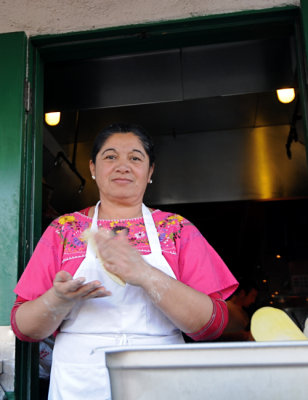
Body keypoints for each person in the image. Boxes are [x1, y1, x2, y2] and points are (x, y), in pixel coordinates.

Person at [11, 123, 238, 399]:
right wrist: (57, 300)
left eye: (135, 157)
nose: (122, 166)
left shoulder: (177, 229)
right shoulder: (64, 230)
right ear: (93, 168)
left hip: (160, 382)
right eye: (110, 156)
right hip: (80, 382)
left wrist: (145, 274)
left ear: (150, 171)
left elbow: (213, 324)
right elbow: (22, 327)